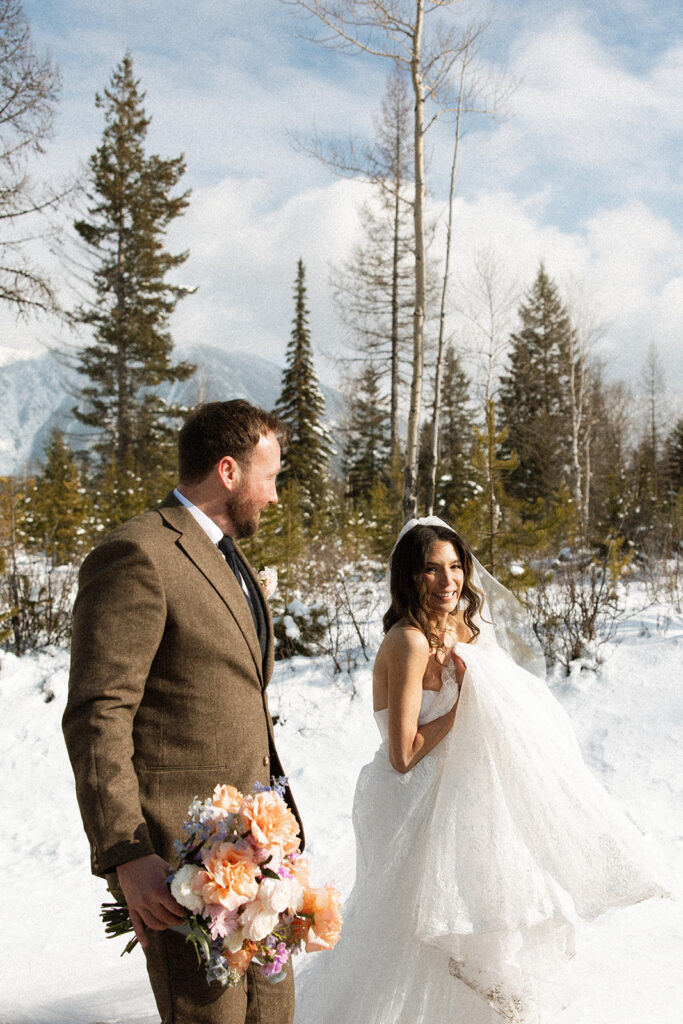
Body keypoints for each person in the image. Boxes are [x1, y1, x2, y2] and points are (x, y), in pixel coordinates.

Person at [294, 517, 667, 1024]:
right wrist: (463, 705)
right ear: (410, 577)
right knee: (408, 943)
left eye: (454, 567)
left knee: (476, 933)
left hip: (462, 799)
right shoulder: (408, 641)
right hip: (412, 802)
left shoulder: (462, 628)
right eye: (431, 570)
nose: (448, 582)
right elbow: (402, 753)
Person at [63, 399, 301, 1024]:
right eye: (269, 476)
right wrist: (125, 852)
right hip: (179, 865)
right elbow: (98, 713)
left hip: (258, 861)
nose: (274, 497)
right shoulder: (137, 554)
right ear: (228, 470)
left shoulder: (231, 556)